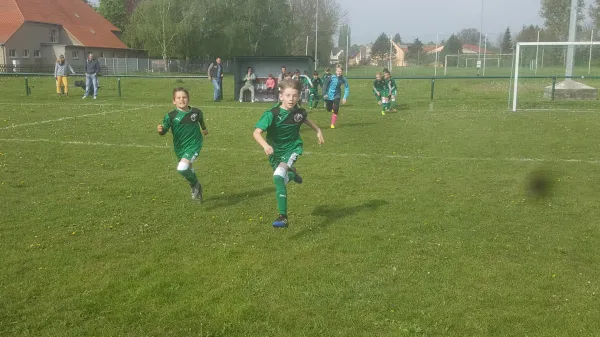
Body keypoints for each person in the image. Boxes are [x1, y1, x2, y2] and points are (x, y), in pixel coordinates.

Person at [252, 79, 324, 228]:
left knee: (278, 176)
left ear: (298, 97)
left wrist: (318, 130)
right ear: (281, 96)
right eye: (288, 95)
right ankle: (292, 175)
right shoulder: (272, 113)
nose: (291, 99)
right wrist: (265, 145)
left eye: (295, 95)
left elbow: (307, 120)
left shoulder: (299, 112)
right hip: (274, 151)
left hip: (292, 148)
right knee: (280, 179)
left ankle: (283, 217)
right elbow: (256, 133)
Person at [157, 87, 208, 201]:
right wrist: (161, 130)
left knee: (182, 168)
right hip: (180, 147)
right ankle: (196, 190)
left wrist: (204, 128)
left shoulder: (196, 112)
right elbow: (164, 130)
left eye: (184, 97)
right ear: (174, 101)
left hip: (194, 144)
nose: (182, 100)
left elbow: (201, 120)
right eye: (178, 98)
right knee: (188, 167)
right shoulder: (170, 116)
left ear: (188, 99)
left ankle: (195, 185)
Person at [322, 65, 349, 129]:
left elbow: (347, 87)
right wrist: (324, 94)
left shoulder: (343, 79)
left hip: (337, 95)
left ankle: (332, 124)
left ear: (342, 72)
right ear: (336, 71)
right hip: (329, 95)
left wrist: (345, 97)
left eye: (340, 71)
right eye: (338, 71)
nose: (339, 72)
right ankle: (330, 108)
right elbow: (325, 84)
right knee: (329, 109)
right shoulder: (331, 77)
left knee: (336, 109)